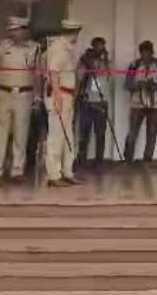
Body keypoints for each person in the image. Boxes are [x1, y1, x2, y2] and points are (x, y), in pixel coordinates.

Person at [0, 17, 38, 182]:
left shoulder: (34, 48)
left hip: (24, 94)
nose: (12, 33)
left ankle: (17, 170)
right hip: (2, 92)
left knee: (21, 133)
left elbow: (37, 74)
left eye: (16, 29)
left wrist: (36, 98)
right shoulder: (3, 45)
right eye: (11, 30)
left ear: (24, 30)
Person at [44, 20, 84, 187]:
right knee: (56, 136)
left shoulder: (68, 48)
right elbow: (53, 72)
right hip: (59, 94)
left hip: (68, 94)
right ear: (73, 32)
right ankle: (54, 175)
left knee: (68, 136)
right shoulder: (59, 48)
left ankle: (67, 172)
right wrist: (58, 97)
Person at [124, 41, 157, 164]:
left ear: (152, 52)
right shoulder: (134, 65)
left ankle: (147, 159)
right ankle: (128, 158)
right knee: (133, 132)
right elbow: (127, 85)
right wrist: (139, 85)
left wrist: (153, 86)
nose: (145, 56)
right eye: (143, 53)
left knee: (152, 132)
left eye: (147, 53)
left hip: (155, 104)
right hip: (137, 103)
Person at [76, 37, 111, 169]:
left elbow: (109, 77)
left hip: (101, 102)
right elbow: (79, 77)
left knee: (100, 133)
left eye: (102, 46)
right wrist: (86, 63)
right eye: (97, 46)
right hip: (87, 102)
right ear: (92, 47)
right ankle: (82, 158)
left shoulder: (106, 62)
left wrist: (105, 60)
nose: (99, 49)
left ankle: (99, 160)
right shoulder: (84, 61)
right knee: (84, 133)